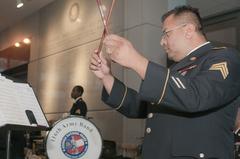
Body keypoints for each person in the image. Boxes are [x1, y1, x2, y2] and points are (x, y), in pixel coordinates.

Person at [90, 5, 240, 159]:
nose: (162, 42)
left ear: (188, 30)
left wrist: (136, 61)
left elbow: (196, 95)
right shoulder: (174, 71)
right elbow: (139, 107)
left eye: (166, 34)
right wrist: (106, 77)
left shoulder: (225, 57)